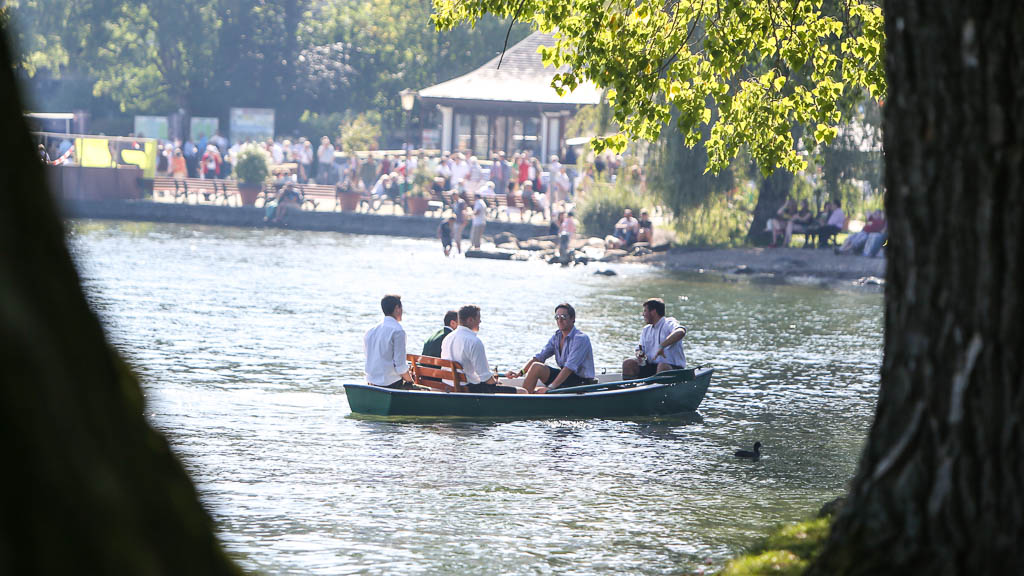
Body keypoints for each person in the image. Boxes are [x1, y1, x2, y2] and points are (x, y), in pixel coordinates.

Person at [508, 303, 596, 394]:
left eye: (563, 316)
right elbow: (540, 357)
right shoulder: (557, 337)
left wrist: (550, 387)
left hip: (581, 383)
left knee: (537, 368)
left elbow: (569, 367)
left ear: (572, 318)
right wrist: (520, 372)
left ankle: (525, 400)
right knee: (536, 366)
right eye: (557, 317)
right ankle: (525, 397)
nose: (560, 320)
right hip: (567, 379)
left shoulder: (580, 339)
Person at [441, 305, 525, 394]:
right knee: (523, 391)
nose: (480, 321)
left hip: (450, 386)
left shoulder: (447, 338)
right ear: (470, 320)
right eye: (478, 318)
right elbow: (486, 378)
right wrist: (495, 383)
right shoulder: (474, 341)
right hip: (469, 389)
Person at [364, 295, 420, 390]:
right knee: (419, 388)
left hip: (371, 383)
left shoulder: (370, 331)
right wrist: (410, 380)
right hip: (390, 384)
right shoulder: (398, 331)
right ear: (397, 308)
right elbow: (400, 366)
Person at [622, 298, 687, 379]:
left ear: (653, 312)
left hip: (672, 368)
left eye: (645, 311)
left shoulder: (669, 323)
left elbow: (681, 332)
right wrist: (639, 354)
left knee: (662, 366)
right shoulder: (646, 329)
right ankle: (630, 389)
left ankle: (659, 390)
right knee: (628, 363)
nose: (643, 314)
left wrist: (662, 346)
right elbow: (639, 349)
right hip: (652, 367)